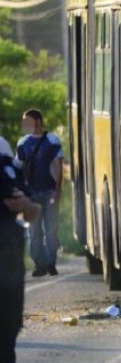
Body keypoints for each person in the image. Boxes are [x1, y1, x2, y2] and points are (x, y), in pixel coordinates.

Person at [16, 109, 64, 277]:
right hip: (31, 195)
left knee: (51, 231)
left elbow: (59, 166)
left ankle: (51, 263)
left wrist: (57, 190)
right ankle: (39, 265)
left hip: (50, 192)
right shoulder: (22, 143)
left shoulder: (52, 140)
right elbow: (19, 168)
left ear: (38, 122)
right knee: (34, 232)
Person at [0, 135, 34, 363]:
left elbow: (32, 211)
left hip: (8, 254)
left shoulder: (3, 150)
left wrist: (24, 204)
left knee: (9, 327)